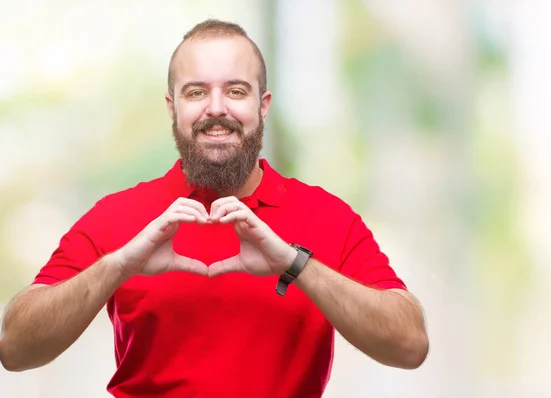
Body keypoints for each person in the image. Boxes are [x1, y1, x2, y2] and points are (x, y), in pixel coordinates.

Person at [0, 19, 429, 398]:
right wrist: (118, 265)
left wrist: (295, 264)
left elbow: (410, 345)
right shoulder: (117, 215)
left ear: (263, 106)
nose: (216, 108)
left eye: (236, 91)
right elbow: (15, 350)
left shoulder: (327, 216)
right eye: (196, 91)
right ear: (173, 108)